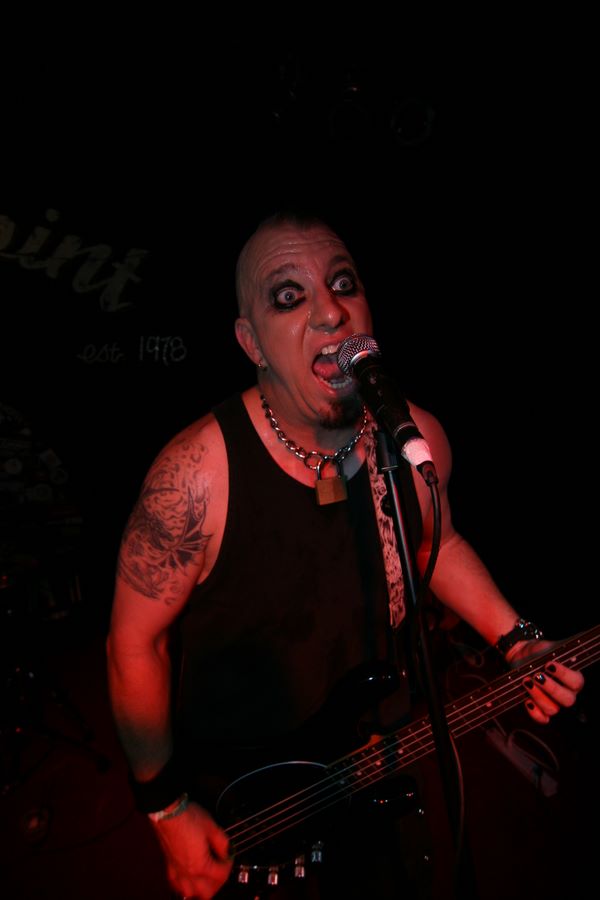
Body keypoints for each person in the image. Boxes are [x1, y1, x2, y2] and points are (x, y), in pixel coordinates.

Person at [106, 210, 585, 900]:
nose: (331, 311)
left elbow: (438, 542)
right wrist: (164, 806)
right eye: (289, 296)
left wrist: (518, 641)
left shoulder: (414, 439)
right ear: (251, 342)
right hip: (248, 782)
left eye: (343, 284)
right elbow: (134, 644)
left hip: (369, 751)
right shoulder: (193, 478)